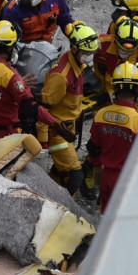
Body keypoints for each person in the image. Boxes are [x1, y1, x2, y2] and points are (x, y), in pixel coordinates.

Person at [0, 20, 72, 146]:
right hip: (6, 139)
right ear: (10, 48)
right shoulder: (10, 76)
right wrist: (54, 123)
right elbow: (30, 106)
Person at [37, 23, 100, 197]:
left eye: (91, 54)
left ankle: (44, 195)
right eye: (86, 53)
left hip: (68, 127)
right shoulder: (61, 75)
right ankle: (61, 204)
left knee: (60, 173)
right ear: (74, 48)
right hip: (57, 132)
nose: (89, 57)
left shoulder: (77, 64)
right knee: (75, 176)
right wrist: (43, 143)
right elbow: (42, 109)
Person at [86, 62, 138, 213]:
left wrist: (97, 175)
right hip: (128, 182)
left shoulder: (101, 114)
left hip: (106, 178)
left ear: (115, 89)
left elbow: (93, 148)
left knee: (105, 219)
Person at [93, 15, 138, 104]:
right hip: (96, 94)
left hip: (123, 100)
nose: (125, 50)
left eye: (130, 50)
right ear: (116, 36)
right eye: (122, 48)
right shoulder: (101, 43)